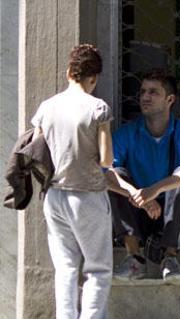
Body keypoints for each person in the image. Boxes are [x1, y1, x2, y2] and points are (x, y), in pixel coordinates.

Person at [31, 44, 114, 319]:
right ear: (94, 78)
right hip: (87, 195)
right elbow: (105, 160)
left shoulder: (47, 107)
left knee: (65, 266)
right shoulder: (98, 108)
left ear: (69, 72)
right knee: (98, 268)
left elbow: (37, 151)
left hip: (54, 196)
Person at [105, 69, 180, 281]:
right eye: (143, 91)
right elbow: (103, 171)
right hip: (140, 213)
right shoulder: (128, 133)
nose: (145, 96)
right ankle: (134, 257)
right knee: (116, 174)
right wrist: (137, 195)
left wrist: (156, 189)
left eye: (153, 92)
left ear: (170, 99)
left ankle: (170, 258)